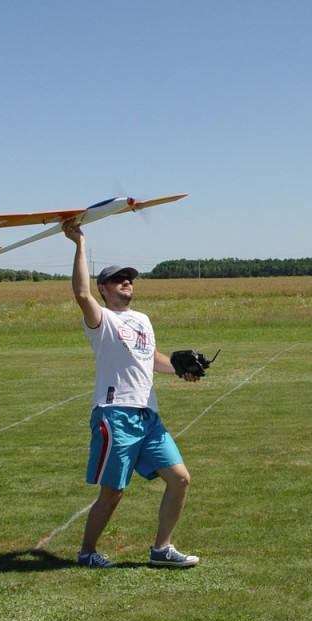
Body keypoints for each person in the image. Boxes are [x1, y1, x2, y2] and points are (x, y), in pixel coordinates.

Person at [63, 221, 200, 568]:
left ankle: (161, 549)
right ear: (104, 289)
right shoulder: (101, 320)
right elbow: (81, 294)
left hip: (148, 416)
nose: (127, 281)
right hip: (115, 414)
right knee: (113, 493)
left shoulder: (142, 319)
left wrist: (179, 369)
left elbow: (150, 359)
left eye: (130, 278)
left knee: (180, 479)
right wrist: (79, 241)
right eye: (118, 278)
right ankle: (87, 553)